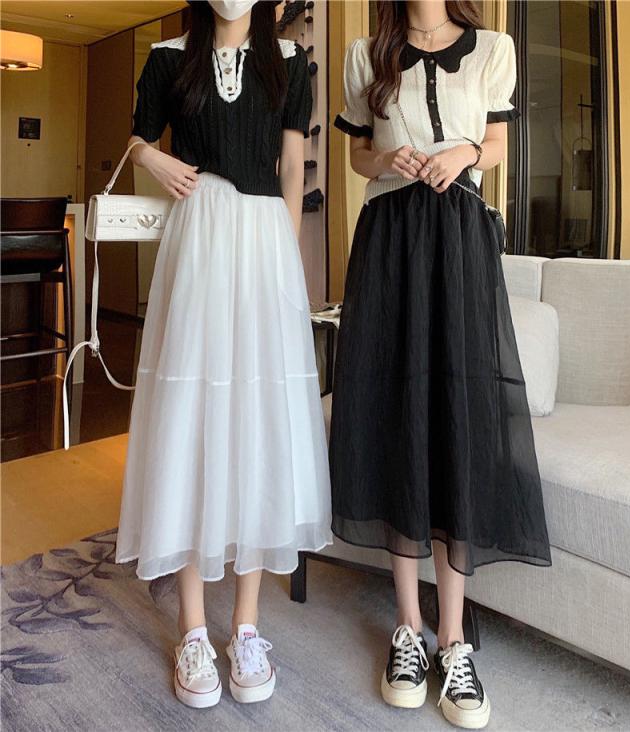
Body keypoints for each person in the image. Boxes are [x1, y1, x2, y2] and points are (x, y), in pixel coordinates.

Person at [330, 1, 551, 728]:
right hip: (388, 239)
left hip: (459, 237)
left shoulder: (493, 49)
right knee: (396, 414)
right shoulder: (366, 53)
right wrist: (386, 160)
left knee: (458, 416)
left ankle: (452, 641)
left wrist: (462, 155)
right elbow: (358, 156)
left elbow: (496, 144)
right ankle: (407, 628)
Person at [114, 0, 332, 708]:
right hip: (200, 238)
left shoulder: (290, 62)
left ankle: (245, 626)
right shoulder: (167, 57)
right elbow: (138, 136)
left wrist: (285, 262)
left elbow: (293, 167)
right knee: (191, 419)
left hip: (263, 243)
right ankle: (191, 630)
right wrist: (153, 156)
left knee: (256, 424)